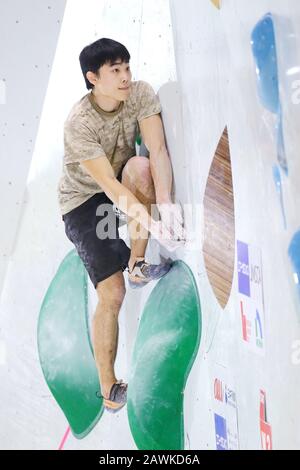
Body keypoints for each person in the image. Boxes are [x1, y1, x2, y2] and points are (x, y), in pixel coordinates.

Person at [57, 38, 185, 413]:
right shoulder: (79, 123)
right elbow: (109, 189)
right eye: (116, 71)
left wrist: (165, 204)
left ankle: (138, 264)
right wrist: (152, 223)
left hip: (121, 176)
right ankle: (109, 387)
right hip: (83, 200)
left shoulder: (140, 94)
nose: (126, 77)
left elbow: (157, 151)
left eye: (127, 68)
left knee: (141, 168)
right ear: (93, 78)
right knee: (112, 294)